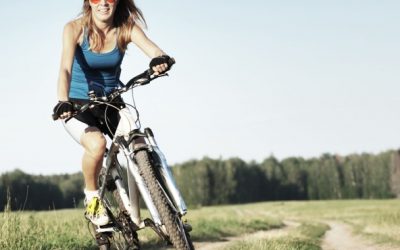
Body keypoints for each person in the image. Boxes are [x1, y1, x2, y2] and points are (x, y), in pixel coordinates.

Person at [53, 0, 172, 227]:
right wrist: (62, 101)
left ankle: (165, 204)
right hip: (78, 105)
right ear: (89, 1)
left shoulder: (126, 28)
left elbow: (152, 49)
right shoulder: (74, 29)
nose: (104, 2)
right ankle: (92, 197)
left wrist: (159, 59)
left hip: (112, 100)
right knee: (97, 145)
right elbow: (65, 69)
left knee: (137, 137)